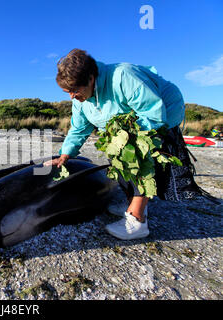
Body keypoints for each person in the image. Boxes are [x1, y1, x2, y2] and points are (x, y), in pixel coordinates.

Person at [44, 48, 202, 240]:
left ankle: (137, 221)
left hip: (163, 111)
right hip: (125, 123)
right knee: (116, 155)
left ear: (91, 78)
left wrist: (125, 137)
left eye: (75, 90)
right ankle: (132, 203)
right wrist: (65, 154)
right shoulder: (80, 99)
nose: (71, 96)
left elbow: (153, 113)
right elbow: (79, 129)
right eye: (67, 92)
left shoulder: (123, 76)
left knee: (135, 153)